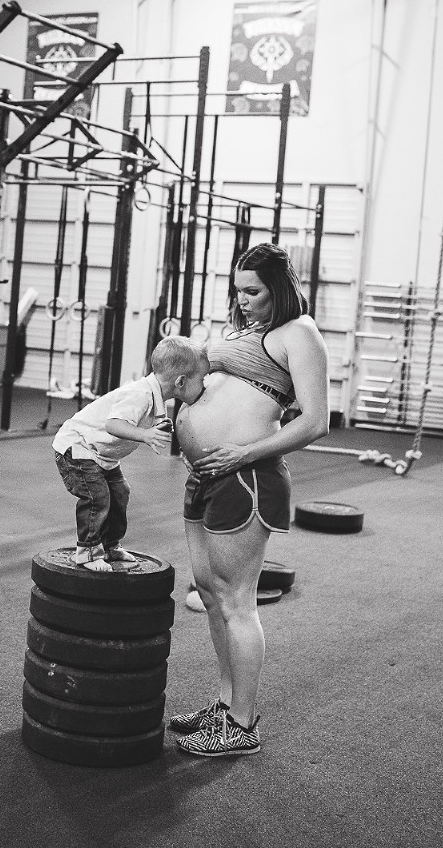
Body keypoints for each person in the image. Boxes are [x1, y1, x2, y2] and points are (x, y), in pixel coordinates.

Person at [170, 243, 329, 756]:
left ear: (278, 288)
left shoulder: (298, 332)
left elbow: (315, 421)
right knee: (209, 591)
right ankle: (224, 705)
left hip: (247, 478)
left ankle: (242, 724)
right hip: (206, 476)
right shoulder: (238, 331)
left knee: (236, 599)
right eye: (238, 290)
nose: (242, 300)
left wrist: (243, 452)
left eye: (253, 291)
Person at [53, 335, 209, 572]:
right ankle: (87, 552)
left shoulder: (156, 397)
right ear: (180, 381)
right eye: (202, 379)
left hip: (103, 455)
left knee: (120, 494)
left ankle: (109, 545)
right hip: (78, 447)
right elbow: (113, 424)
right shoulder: (141, 395)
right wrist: (145, 435)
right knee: (97, 497)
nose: (204, 385)